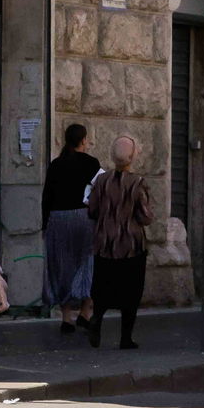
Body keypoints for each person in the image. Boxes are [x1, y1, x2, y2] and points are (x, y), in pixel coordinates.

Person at [85, 135, 155, 350]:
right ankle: (126, 337)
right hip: (130, 245)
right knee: (131, 292)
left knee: (103, 288)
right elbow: (145, 217)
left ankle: (96, 319)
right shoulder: (137, 183)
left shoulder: (101, 180)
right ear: (133, 156)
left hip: (105, 242)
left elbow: (92, 209)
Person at [41, 124, 101, 334]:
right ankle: (85, 311)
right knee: (87, 262)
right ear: (83, 140)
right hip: (84, 218)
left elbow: (46, 196)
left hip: (57, 218)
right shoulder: (92, 163)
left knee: (61, 265)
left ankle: (66, 317)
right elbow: (98, 193)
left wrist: (44, 224)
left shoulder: (56, 164)